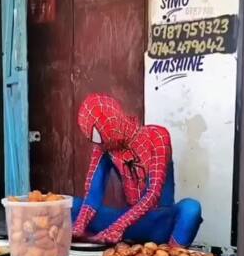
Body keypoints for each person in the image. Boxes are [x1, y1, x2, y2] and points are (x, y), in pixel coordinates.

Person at [70, 93, 202, 246]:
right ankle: (103, 243)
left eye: (100, 136)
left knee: (191, 209)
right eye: (95, 139)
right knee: (69, 205)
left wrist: (118, 227)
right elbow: (93, 194)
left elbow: (153, 194)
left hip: (159, 222)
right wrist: (78, 227)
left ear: (114, 122)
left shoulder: (157, 135)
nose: (101, 144)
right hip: (129, 224)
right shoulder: (103, 147)